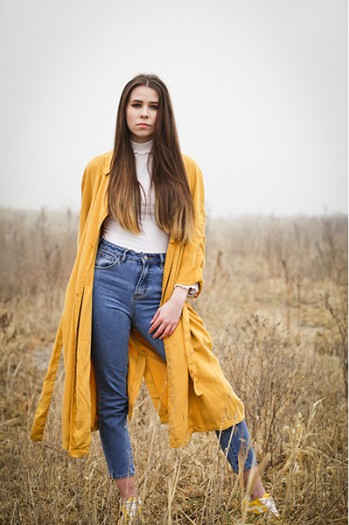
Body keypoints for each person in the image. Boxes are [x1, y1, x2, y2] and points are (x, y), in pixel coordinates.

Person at [30, 74, 279, 522]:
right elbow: (88, 235)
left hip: (161, 289)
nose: (144, 113)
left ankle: (258, 498)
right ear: (124, 111)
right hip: (106, 279)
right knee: (111, 400)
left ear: (164, 114)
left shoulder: (187, 169)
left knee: (214, 387)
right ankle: (130, 504)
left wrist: (179, 296)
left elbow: (194, 237)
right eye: (136, 104)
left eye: (153, 106)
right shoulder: (98, 168)